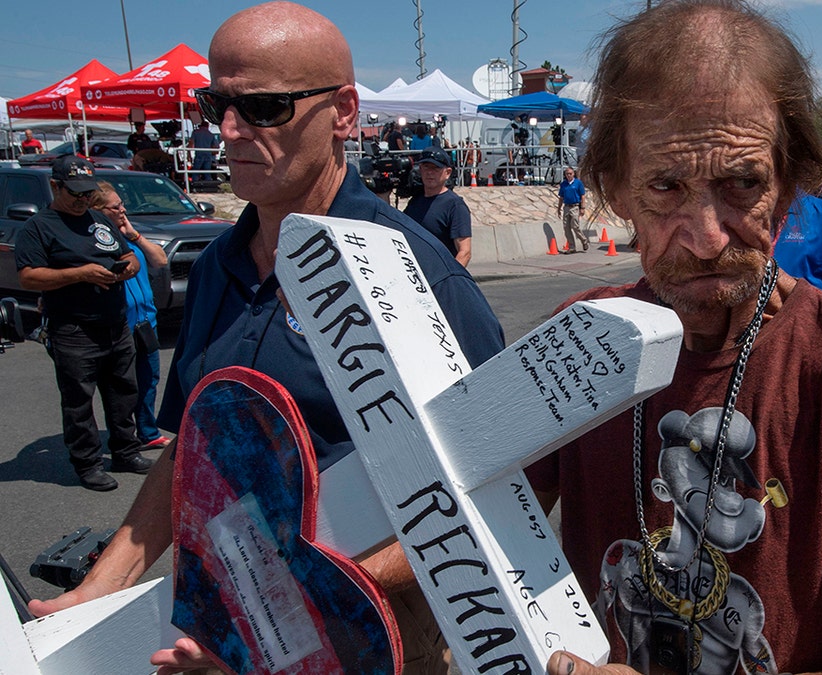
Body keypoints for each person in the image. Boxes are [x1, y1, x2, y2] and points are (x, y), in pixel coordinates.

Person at [28, 5, 505, 675]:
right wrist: (93, 592)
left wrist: (322, 583)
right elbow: (188, 453)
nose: (227, 130)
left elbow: (507, 479)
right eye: (215, 103)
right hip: (223, 622)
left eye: (263, 108)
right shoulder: (222, 264)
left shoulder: (414, 270)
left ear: (343, 112)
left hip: (365, 630)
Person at [527, 2, 822, 673]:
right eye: (665, 185)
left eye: (742, 183)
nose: (707, 235)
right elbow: (465, 553)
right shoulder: (575, 342)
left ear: (791, 181)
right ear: (616, 188)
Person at [13, 156, 152, 491]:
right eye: (75, 193)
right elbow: (29, 277)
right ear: (55, 186)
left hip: (115, 323)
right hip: (74, 329)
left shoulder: (97, 220)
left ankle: (125, 450)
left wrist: (130, 266)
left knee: (123, 392)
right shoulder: (39, 227)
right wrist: (81, 273)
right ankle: (87, 463)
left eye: (88, 193)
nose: (82, 200)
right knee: (79, 401)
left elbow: (127, 253)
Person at [92, 181, 171, 450]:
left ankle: (148, 432)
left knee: (149, 379)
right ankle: (124, 438)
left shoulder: (128, 237)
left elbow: (160, 260)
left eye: (122, 204)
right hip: (120, 324)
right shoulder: (96, 241)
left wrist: (133, 234)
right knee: (123, 386)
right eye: (116, 207)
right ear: (98, 210)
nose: (123, 210)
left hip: (146, 321)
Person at [404, 145, 472, 267]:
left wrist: (452, 279)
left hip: (441, 278)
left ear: (447, 173)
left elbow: (465, 252)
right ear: (420, 169)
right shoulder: (415, 202)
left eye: (436, 168)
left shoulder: (455, 205)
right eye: (426, 167)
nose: (430, 172)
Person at [556, 166, 588, 253]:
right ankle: (572, 247)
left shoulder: (578, 183)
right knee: (566, 228)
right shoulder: (563, 184)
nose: (569, 175)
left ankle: (584, 240)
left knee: (575, 226)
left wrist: (582, 208)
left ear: (573, 174)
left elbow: (582, 196)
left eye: (570, 173)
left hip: (575, 207)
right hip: (566, 207)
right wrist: (559, 208)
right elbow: (561, 197)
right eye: (567, 174)